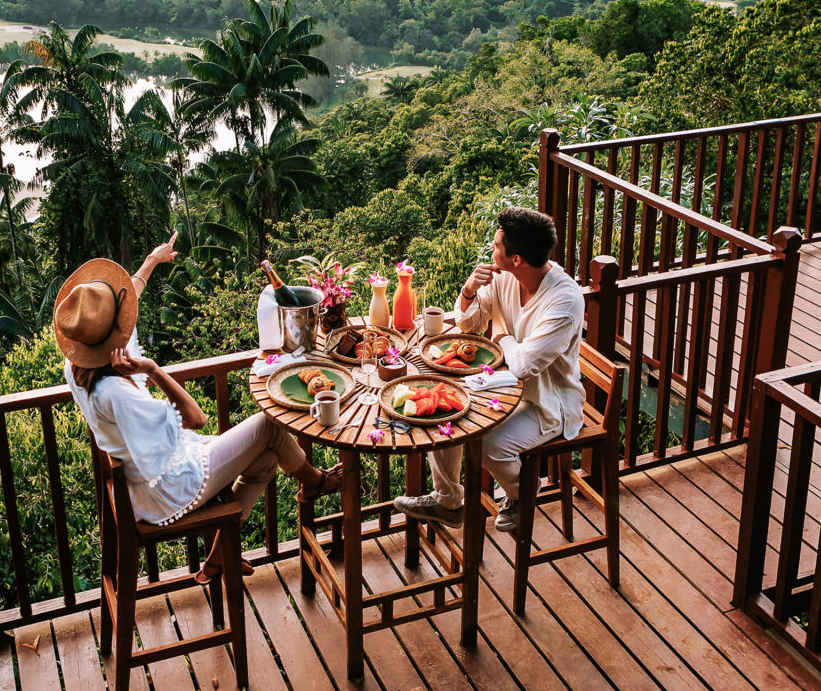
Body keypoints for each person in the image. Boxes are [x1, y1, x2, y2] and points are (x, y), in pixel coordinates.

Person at [56, 235, 341, 582]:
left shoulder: (79, 367)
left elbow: (128, 300)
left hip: (143, 475)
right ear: (113, 332)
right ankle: (314, 482)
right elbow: (195, 419)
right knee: (269, 425)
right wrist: (153, 370)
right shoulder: (116, 392)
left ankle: (219, 558)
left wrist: (151, 261)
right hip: (168, 484)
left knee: (266, 460)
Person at [394, 207, 585, 532]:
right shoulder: (504, 277)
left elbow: (525, 365)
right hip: (504, 385)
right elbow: (470, 324)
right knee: (445, 409)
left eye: (497, 245)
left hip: (548, 404)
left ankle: (521, 493)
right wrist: (468, 291)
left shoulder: (564, 302)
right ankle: (448, 500)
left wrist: (504, 336)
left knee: (488, 446)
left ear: (516, 259)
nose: (491, 250)